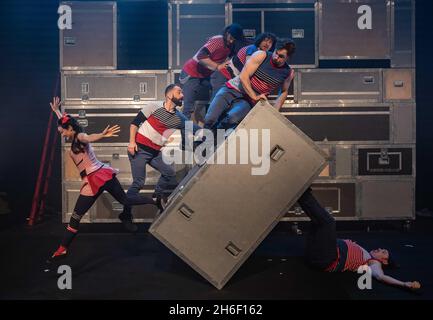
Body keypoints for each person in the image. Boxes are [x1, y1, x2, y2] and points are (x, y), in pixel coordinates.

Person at [47, 97, 156, 264]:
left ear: (69, 129)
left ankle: (63, 248)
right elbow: (65, 122)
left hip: (96, 178)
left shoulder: (80, 136)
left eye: (62, 131)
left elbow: (89, 137)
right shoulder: (72, 134)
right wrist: (56, 111)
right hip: (100, 176)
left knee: (76, 216)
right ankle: (155, 200)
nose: (61, 133)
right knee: (123, 200)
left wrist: (102, 135)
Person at [298, 188, 421, 291]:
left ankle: (303, 194)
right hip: (318, 253)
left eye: (383, 252)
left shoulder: (373, 263)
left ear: (384, 261)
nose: (380, 249)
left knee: (328, 223)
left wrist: (404, 284)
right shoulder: (366, 254)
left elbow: (380, 276)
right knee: (318, 223)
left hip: (324, 259)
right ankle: (301, 194)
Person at [120, 84, 200, 231]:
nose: (182, 95)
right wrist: (131, 142)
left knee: (169, 172)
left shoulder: (179, 118)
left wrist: (217, 133)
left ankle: (157, 197)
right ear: (169, 95)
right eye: (179, 92)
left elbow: (197, 130)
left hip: (154, 152)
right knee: (138, 183)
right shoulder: (154, 106)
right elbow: (134, 124)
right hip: (139, 149)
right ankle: (125, 215)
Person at [204, 39, 296, 131]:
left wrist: (275, 112)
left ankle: (214, 139)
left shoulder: (288, 72)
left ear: (288, 57)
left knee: (232, 119)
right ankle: (203, 138)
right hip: (232, 89)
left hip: (247, 100)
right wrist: (254, 96)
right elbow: (244, 76)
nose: (276, 57)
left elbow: (284, 91)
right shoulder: (261, 55)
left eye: (281, 56)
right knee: (210, 118)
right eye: (276, 52)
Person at [180, 23, 245, 120]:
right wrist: (217, 66)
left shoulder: (231, 45)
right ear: (227, 33)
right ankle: (186, 134)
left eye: (234, 39)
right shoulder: (218, 40)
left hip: (204, 76)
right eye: (230, 37)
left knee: (215, 99)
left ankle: (208, 129)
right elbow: (201, 56)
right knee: (188, 108)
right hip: (191, 73)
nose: (231, 41)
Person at [210, 32, 277, 98]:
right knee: (217, 101)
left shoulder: (264, 55)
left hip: (231, 78)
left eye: (270, 42)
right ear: (260, 40)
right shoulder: (253, 49)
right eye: (265, 40)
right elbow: (249, 70)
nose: (267, 44)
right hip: (223, 75)